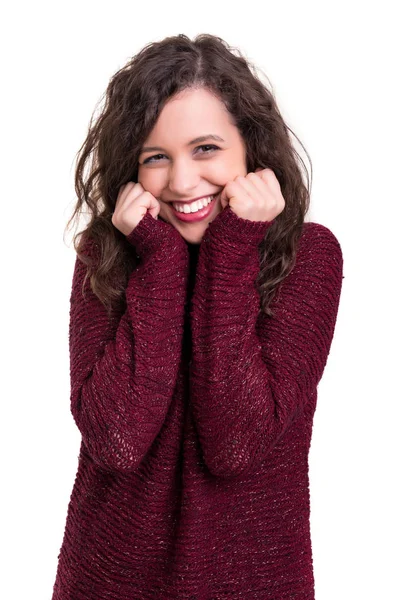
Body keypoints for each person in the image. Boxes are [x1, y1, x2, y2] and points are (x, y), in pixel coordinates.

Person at [52, 33, 344, 599]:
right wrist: (160, 265)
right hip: (105, 583)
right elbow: (116, 439)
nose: (182, 182)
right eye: (156, 157)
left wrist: (233, 250)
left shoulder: (308, 258)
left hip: (253, 586)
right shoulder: (107, 254)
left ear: (252, 151)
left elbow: (236, 441)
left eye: (206, 148)